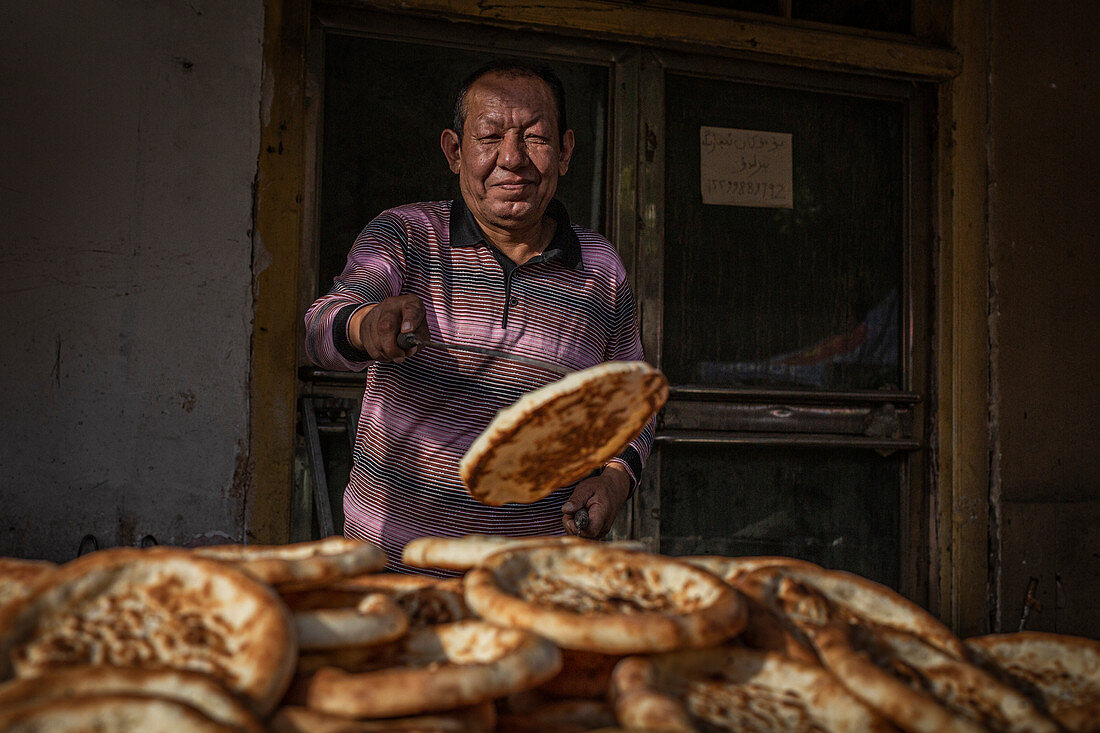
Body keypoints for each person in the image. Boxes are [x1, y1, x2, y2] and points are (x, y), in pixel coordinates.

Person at [304, 59, 653, 572]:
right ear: (454, 150)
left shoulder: (601, 270)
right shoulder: (406, 236)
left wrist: (615, 479)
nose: (512, 159)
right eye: (490, 136)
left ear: (565, 152)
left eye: (535, 138)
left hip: (535, 580)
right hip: (394, 571)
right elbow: (320, 326)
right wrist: (367, 323)